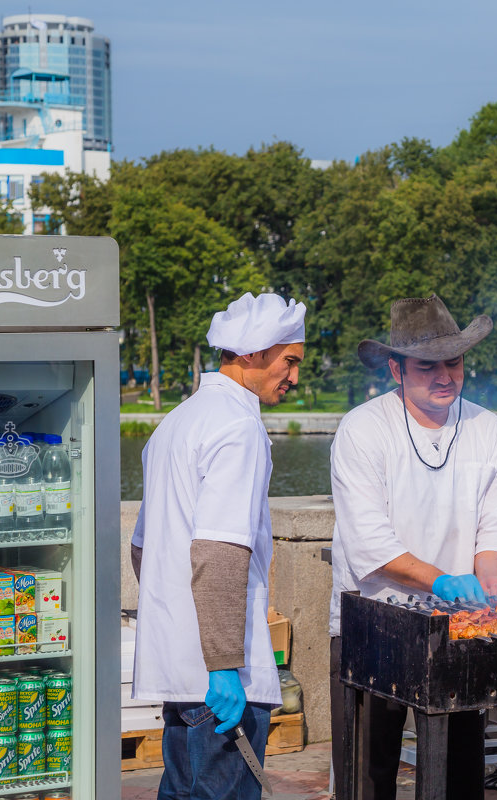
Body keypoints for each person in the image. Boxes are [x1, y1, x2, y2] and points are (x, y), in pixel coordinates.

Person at [328, 294, 497, 799]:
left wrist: (490, 574)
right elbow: (368, 539)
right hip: (374, 620)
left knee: (459, 770)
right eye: (427, 366)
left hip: (457, 625)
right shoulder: (362, 430)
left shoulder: (489, 430)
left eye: (453, 363)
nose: (444, 376)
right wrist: (440, 580)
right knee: (369, 774)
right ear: (396, 369)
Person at [131, 291, 306, 800]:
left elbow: (143, 549)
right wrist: (223, 663)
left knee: (182, 791)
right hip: (219, 676)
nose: (294, 377)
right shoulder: (239, 426)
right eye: (289, 361)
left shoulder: (177, 422)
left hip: (178, 665)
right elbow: (220, 552)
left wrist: (181, 627)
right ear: (253, 354)